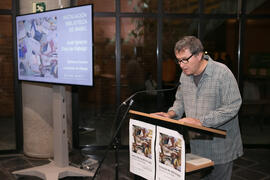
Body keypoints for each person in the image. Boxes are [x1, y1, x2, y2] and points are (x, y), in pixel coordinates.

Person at [154, 36, 243, 180]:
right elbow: (180, 101)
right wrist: (170, 114)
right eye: (178, 60)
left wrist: (201, 121)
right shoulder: (185, 75)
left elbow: (232, 107)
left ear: (199, 55)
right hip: (198, 145)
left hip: (221, 147)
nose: (181, 65)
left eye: (185, 59)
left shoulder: (222, 73)